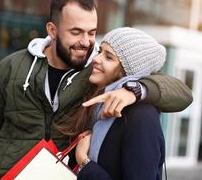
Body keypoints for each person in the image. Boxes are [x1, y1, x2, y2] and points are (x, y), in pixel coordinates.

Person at [0, 0, 192, 179]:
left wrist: (134, 90)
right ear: (52, 31)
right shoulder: (12, 66)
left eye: (92, 33)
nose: (86, 43)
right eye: (76, 32)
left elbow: (181, 93)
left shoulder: (96, 72)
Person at [71, 27, 166, 180]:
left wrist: (85, 162)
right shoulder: (100, 104)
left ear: (127, 71)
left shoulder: (141, 115)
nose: (96, 59)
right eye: (100, 51)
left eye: (108, 57)